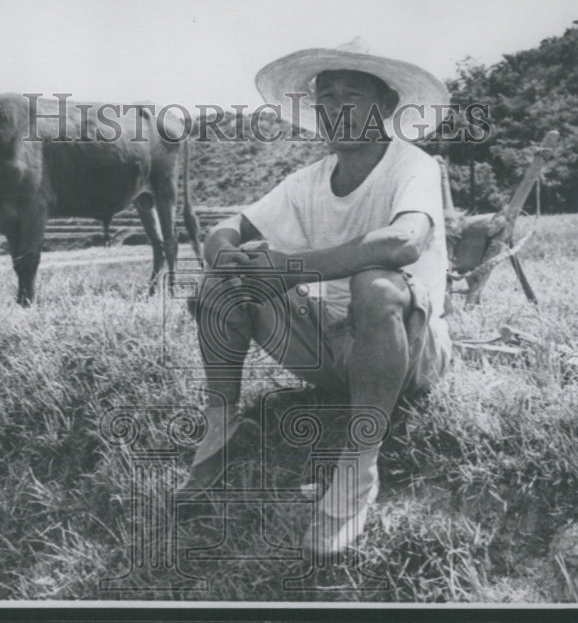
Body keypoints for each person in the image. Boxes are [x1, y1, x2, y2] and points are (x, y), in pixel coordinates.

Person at [178, 38, 453, 555]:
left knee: (376, 284)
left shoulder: (411, 165)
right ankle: (218, 432)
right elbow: (228, 227)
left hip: (409, 351)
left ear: (386, 106)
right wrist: (224, 255)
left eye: (352, 94)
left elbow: (405, 241)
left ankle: (358, 467)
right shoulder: (309, 180)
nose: (336, 108)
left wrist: (294, 267)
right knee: (222, 284)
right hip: (332, 351)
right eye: (326, 96)